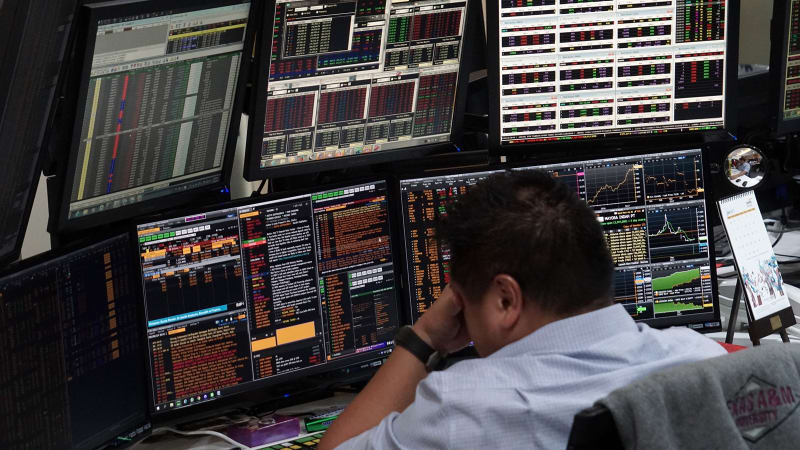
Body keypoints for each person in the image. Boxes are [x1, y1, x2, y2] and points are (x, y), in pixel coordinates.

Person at [318, 171, 727, 450]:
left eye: (462, 302)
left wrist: (424, 338)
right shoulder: (702, 360)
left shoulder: (463, 408)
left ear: (505, 300)